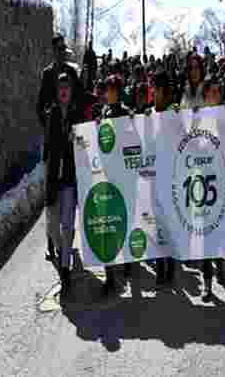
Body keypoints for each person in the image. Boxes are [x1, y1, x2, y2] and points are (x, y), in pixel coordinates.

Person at [37, 35, 84, 264]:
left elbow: (83, 97)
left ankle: (65, 245)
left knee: (66, 195)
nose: (60, 52)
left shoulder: (72, 72)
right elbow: (40, 105)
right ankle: (51, 245)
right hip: (52, 140)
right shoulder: (47, 74)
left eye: (63, 49)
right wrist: (48, 124)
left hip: (70, 140)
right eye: (57, 48)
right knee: (50, 196)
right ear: (52, 50)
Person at [44, 72, 84, 298]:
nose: (63, 91)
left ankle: (66, 270)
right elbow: (48, 149)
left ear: (70, 90)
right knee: (53, 227)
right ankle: (62, 254)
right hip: (53, 180)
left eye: (66, 87)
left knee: (67, 226)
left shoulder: (77, 114)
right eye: (60, 88)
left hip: (69, 178)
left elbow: (84, 142)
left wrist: (75, 139)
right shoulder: (52, 114)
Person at [98, 74, 134, 296]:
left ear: (118, 92)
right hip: (107, 176)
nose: (107, 93)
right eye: (107, 89)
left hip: (122, 176)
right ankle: (110, 275)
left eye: (111, 89)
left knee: (123, 221)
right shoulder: (104, 112)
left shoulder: (125, 112)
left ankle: (128, 262)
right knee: (107, 225)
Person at [145, 70, 179, 286]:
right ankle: (160, 268)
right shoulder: (148, 114)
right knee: (156, 224)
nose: (152, 92)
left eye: (155, 88)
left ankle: (169, 268)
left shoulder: (173, 113)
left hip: (170, 177)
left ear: (163, 91)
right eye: (151, 88)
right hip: (153, 178)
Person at [198, 75, 225, 302]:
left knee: (218, 232)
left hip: (221, 183)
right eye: (212, 92)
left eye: (218, 92)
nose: (216, 96)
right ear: (205, 94)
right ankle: (207, 285)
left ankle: (221, 264)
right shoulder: (196, 117)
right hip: (201, 184)